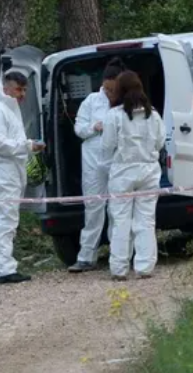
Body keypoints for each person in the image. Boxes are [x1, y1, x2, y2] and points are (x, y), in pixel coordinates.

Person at [0, 71, 45, 284]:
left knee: (1, 222)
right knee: (5, 222)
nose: (22, 94)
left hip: (9, 174)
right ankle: (5, 269)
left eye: (25, 89)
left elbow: (2, 143)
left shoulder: (9, 112)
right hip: (3, 174)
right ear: (6, 89)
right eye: (19, 89)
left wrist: (29, 146)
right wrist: (27, 146)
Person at [99, 71, 165, 281]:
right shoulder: (152, 114)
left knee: (120, 221)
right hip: (148, 171)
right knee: (146, 220)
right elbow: (161, 142)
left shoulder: (114, 115)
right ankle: (145, 266)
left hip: (122, 172)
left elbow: (107, 146)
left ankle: (119, 268)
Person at [67, 58, 126, 273]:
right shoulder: (92, 101)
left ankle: (118, 254)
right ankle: (86, 255)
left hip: (117, 160)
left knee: (117, 207)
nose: (110, 92)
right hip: (93, 160)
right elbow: (79, 128)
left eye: (114, 89)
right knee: (93, 206)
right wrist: (95, 126)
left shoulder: (125, 102)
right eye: (107, 88)